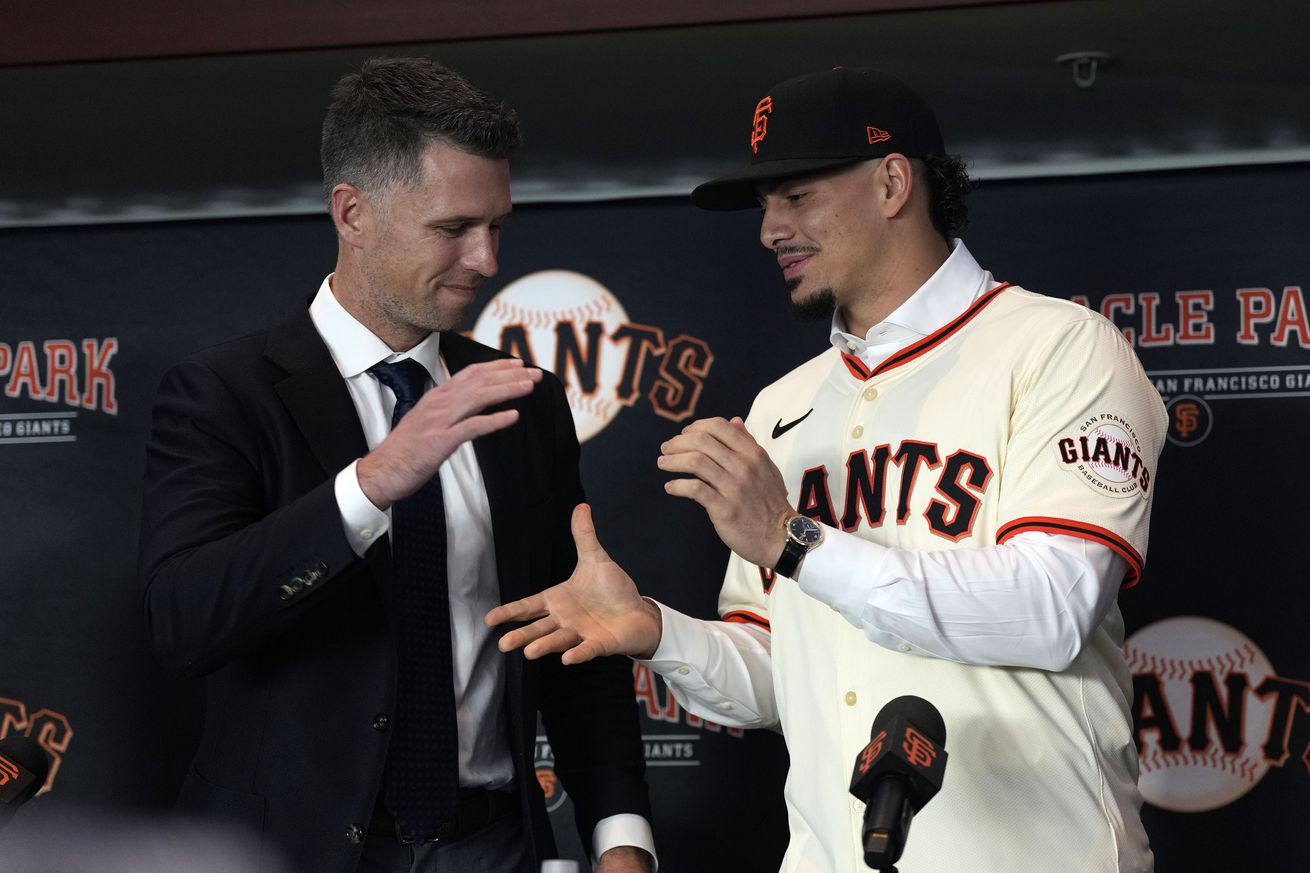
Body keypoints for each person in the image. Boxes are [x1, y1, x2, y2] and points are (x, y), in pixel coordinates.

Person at [488, 67, 1164, 873]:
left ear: (891, 182)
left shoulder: (1059, 346)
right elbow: (779, 672)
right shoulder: (783, 405)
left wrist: (795, 538)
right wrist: (657, 632)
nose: (770, 228)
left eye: (797, 195)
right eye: (765, 204)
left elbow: (1054, 607)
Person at [139, 57, 654, 873]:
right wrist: (372, 481)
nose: (487, 260)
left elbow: (578, 630)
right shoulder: (223, 394)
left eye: (498, 227)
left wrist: (622, 837)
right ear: (352, 213)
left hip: (495, 845)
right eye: (452, 229)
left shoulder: (523, 401)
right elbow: (185, 619)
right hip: (288, 852)